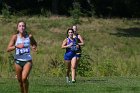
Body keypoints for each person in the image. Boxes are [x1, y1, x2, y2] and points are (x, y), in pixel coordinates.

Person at [7, 21, 37, 93]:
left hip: (27, 61)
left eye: (23, 26)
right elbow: (8, 49)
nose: (22, 27)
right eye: (20, 26)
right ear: (17, 28)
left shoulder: (29, 36)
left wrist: (34, 47)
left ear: (25, 27)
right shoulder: (15, 37)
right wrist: (16, 46)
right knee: (20, 82)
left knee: (24, 78)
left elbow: (34, 43)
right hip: (17, 61)